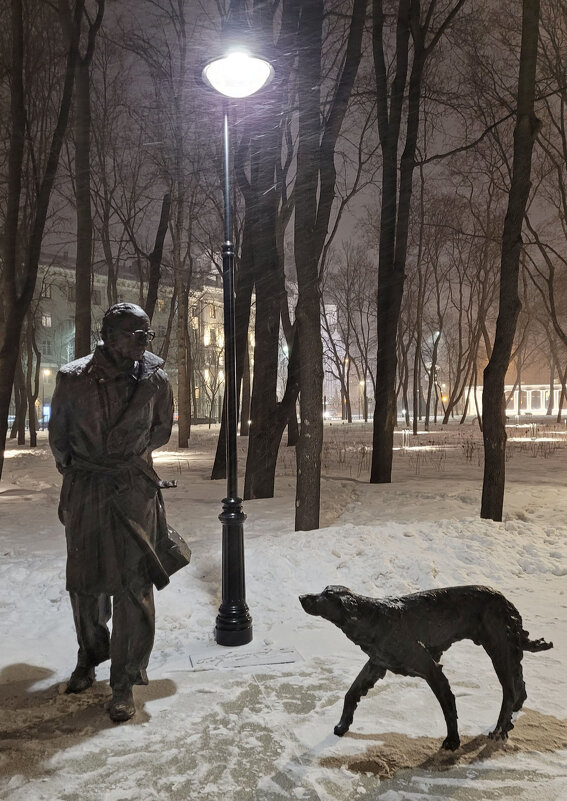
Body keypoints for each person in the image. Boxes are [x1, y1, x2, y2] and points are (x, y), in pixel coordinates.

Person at [49, 302, 190, 722]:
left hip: (132, 489)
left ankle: (125, 679)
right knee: (86, 585)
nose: (144, 341)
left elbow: (161, 429)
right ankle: (90, 656)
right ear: (109, 336)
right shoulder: (72, 378)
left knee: (133, 586)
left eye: (146, 334)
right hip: (88, 489)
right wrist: (82, 469)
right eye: (134, 333)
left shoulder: (155, 380)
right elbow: (60, 436)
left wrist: (128, 455)